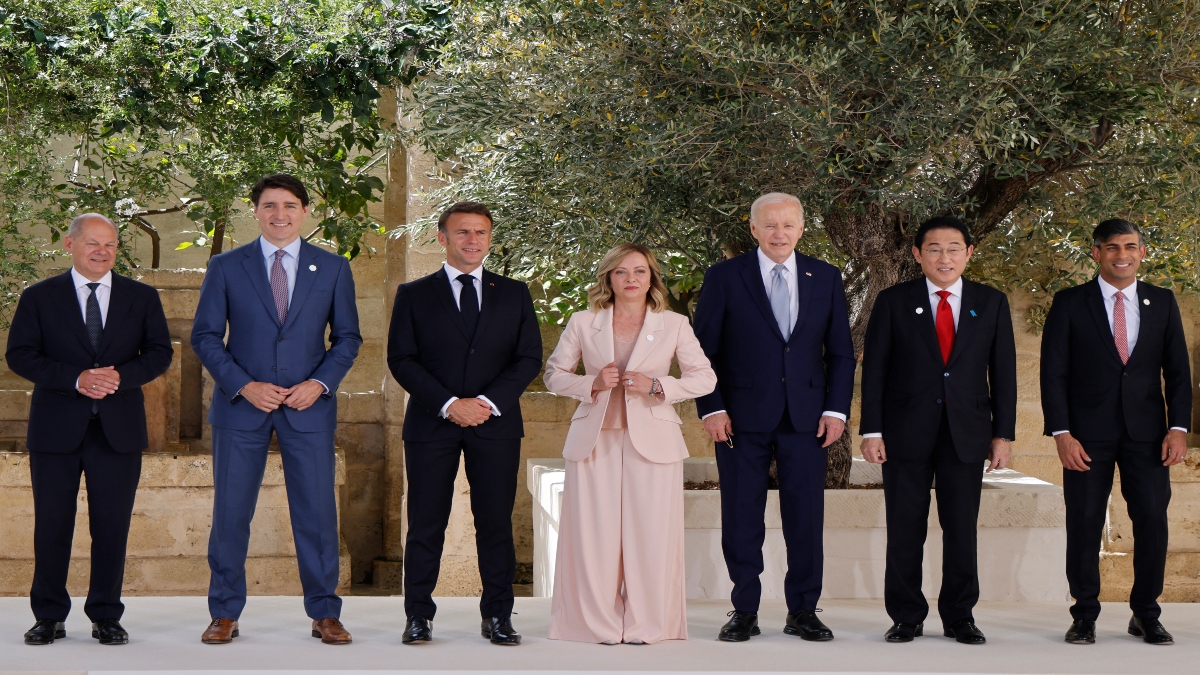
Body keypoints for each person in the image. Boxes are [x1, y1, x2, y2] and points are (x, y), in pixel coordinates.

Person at [191, 173, 361, 645]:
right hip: (241, 409)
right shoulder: (226, 266)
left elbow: (347, 338)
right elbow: (205, 336)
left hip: (308, 408)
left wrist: (320, 384)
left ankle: (325, 613)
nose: (279, 214)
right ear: (256, 211)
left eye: (289, 205)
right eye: (269, 206)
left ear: (305, 211)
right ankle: (224, 612)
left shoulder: (332, 269)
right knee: (230, 513)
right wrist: (243, 386)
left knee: (317, 513)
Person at [692, 192, 856, 642]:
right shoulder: (725, 277)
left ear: (802, 228)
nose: (779, 233)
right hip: (738, 419)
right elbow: (701, 352)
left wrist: (836, 409)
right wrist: (712, 407)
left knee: (805, 518)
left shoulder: (824, 277)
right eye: (770, 225)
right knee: (741, 516)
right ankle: (744, 609)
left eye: (788, 225)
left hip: (808, 419)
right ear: (753, 229)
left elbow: (841, 352)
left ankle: (803, 610)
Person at [6, 214, 173, 646]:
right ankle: (48, 616)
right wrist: (77, 378)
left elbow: (158, 353)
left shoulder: (141, 297)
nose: (103, 251)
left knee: (112, 527)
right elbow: (20, 355)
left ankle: (105, 615)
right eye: (93, 243)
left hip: (117, 430)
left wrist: (120, 376)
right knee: (52, 525)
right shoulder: (40, 297)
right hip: (56, 429)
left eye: (111, 245)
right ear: (70, 245)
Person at [543, 243, 716, 644]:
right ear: (609, 278)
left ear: (652, 277)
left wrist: (657, 385)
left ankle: (648, 626)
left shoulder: (673, 324)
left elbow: (704, 378)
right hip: (593, 439)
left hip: (654, 440)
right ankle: (593, 625)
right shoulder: (583, 322)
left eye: (640, 271)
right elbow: (554, 374)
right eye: (621, 272)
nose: (631, 279)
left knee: (652, 536)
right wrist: (591, 383)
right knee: (592, 537)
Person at [387, 201, 542, 646]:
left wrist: (487, 402)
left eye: (480, 233)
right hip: (431, 423)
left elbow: (529, 356)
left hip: (495, 424)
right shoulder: (414, 294)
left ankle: (498, 615)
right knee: (425, 522)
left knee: (494, 521)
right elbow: (402, 359)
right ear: (443, 237)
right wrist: (450, 403)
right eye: (463, 233)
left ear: (489, 239)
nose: (473, 241)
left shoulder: (513, 293)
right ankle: (418, 614)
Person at [858, 216, 1017, 645]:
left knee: (962, 529)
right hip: (904, 432)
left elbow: (1004, 374)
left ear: (968, 253)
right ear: (917, 254)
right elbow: (875, 371)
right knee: (905, 527)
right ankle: (906, 616)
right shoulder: (893, 301)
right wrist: (871, 430)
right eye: (933, 249)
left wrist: (1002, 435)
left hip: (966, 434)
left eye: (953, 249)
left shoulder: (990, 301)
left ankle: (959, 616)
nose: (943, 258)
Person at [1040, 218, 1191, 646]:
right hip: (1086, 436)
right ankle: (1084, 614)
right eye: (1111, 247)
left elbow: (1178, 372)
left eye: (1130, 246)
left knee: (1151, 522)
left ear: (1142, 252)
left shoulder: (1162, 301)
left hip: (1149, 435)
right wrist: (1062, 434)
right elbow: (1053, 374)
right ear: (1096, 253)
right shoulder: (1070, 302)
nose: (1121, 254)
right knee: (1084, 522)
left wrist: (1178, 427)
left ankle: (1146, 613)